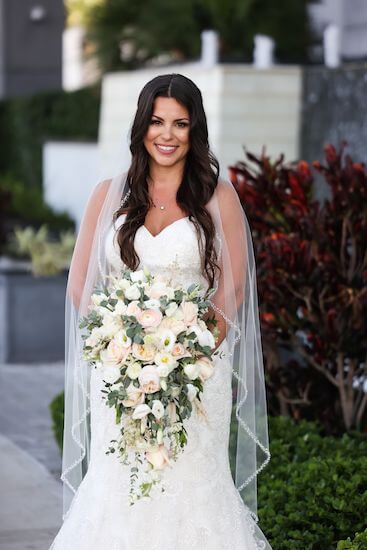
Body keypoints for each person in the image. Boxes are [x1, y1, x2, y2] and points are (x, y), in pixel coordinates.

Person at [49, 73, 272, 549]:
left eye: (180, 123)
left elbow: (232, 286)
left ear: (195, 131)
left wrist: (191, 349)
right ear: (141, 126)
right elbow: (81, 283)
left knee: (191, 486)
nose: (166, 134)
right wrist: (120, 347)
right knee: (120, 483)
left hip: (196, 371)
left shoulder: (217, 197)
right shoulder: (108, 195)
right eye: (156, 121)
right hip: (119, 372)